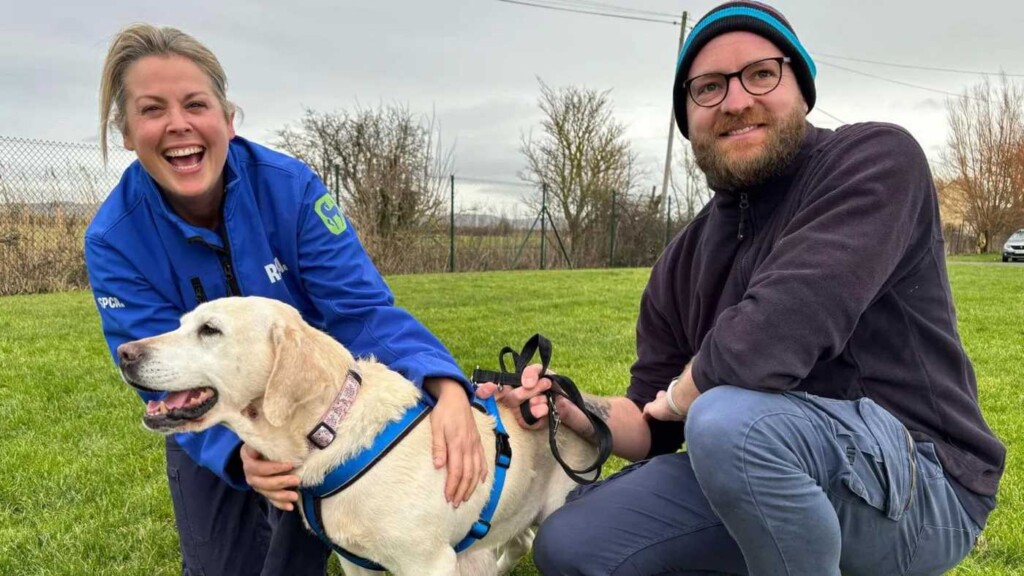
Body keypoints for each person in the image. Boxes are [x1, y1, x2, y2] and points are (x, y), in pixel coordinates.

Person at [477, 2, 1006, 574]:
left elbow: (779, 330)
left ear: (802, 89)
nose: (734, 101)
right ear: (687, 116)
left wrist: (686, 395)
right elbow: (653, 421)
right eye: (708, 87)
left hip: (925, 486)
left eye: (760, 74)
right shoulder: (681, 260)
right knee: (575, 542)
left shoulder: (873, 161)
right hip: (762, 465)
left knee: (730, 420)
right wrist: (575, 407)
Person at [86, 24, 486, 576]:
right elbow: (154, 362)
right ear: (126, 131)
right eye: (152, 109)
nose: (178, 124)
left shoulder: (290, 188)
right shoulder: (113, 238)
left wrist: (443, 384)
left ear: (227, 117)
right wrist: (236, 455)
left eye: (196, 104)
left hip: (318, 403)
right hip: (215, 417)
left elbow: (361, 309)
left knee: (300, 546)